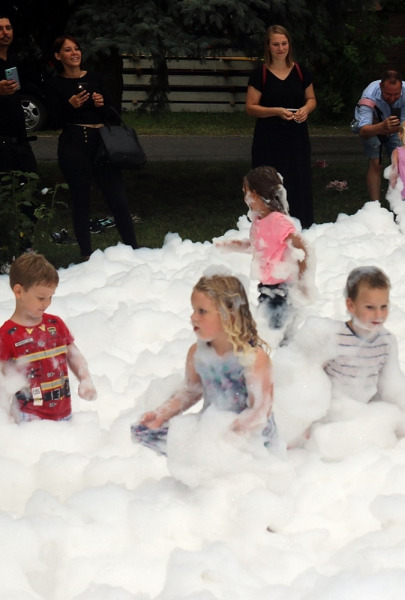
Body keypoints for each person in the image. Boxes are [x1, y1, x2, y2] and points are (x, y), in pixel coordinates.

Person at [131, 274, 277, 456]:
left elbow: (261, 411)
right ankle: (198, 462)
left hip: (251, 437)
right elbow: (191, 392)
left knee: (218, 453)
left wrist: (228, 435)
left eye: (202, 311)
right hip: (213, 427)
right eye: (193, 310)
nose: (193, 317)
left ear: (229, 315)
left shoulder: (253, 358)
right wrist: (161, 413)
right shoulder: (197, 353)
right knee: (140, 432)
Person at [46, 35, 140, 261]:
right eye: (68, 50)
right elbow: (51, 122)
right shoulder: (56, 84)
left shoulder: (96, 78)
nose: (74, 53)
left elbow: (112, 114)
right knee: (81, 200)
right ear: (58, 56)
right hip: (74, 143)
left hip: (102, 143)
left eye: (77, 49)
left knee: (118, 198)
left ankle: (134, 250)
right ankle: (86, 255)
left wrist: (102, 104)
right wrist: (70, 106)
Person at [0, 252, 97, 422]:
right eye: (41, 298)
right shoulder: (7, 334)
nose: (47, 303)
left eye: (50, 297)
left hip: (64, 411)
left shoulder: (56, 324)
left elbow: (73, 354)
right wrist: (3, 414)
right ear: (19, 291)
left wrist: (85, 379)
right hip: (30, 417)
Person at [215, 166, 310, 335]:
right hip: (266, 287)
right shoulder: (259, 220)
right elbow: (258, 246)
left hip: (282, 290)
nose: (244, 197)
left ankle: (283, 355)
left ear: (257, 195)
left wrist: (303, 280)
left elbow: (301, 246)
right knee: (270, 328)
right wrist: (233, 245)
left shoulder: (278, 221)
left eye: (246, 192)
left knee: (277, 330)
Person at [321, 266, 405, 432]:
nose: (378, 314)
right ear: (351, 305)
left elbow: (388, 383)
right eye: (370, 307)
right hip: (333, 413)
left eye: (384, 306)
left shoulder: (386, 341)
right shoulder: (334, 337)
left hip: (364, 412)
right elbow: (313, 379)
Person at [246, 25, 316, 229]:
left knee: (298, 179)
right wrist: (275, 111)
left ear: (289, 45)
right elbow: (251, 107)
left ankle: (301, 226)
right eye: (275, 44)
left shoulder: (301, 71)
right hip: (269, 137)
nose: (280, 48)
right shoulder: (261, 74)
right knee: (269, 182)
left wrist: (306, 109)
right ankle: (269, 226)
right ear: (268, 46)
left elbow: (311, 98)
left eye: (284, 43)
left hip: (297, 135)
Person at [0, 14, 37, 176]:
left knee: (32, 193)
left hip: (21, 141)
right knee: (5, 196)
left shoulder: (13, 60)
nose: (5, 32)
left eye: (8, 28)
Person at [352, 69, 405, 203]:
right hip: (371, 128)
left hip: (393, 126)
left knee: (402, 161)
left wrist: (390, 128)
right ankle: (375, 207)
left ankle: (402, 203)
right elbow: (363, 131)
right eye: (388, 94)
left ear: (402, 88)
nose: (392, 98)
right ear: (380, 87)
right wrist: (381, 127)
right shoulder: (368, 97)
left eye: (396, 94)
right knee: (376, 163)